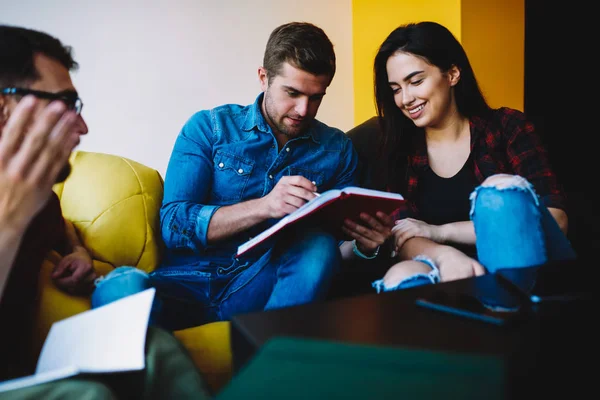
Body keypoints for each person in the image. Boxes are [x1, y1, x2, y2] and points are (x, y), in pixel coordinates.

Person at [0, 25, 211, 399]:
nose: (82, 126)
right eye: (64, 105)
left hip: (26, 373)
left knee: (156, 349)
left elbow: (61, 224)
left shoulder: (39, 199)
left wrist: (76, 251)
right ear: (4, 109)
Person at [143, 21, 359, 330]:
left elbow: (336, 254)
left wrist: (368, 245)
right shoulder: (209, 128)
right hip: (185, 285)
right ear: (264, 78)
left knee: (319, 245)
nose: (303, 109)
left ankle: (270, 364)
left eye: (316, 97)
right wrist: (266, 206)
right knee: (120, 285)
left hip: (263, 290)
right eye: (293, 93)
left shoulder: (337, 150)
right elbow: (174, 224)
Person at [358, 21, 576, 292]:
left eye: (415, 81)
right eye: (395, 89)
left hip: (519, 262)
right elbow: (404, 234)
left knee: (501, 196)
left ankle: (502, 309)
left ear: (452, 74)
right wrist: (447, 256)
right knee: (402, 274)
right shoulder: (398, 149)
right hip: (447, 266)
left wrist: (442, 231)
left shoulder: (507, 127)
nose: (405, 98)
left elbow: (556, 220)